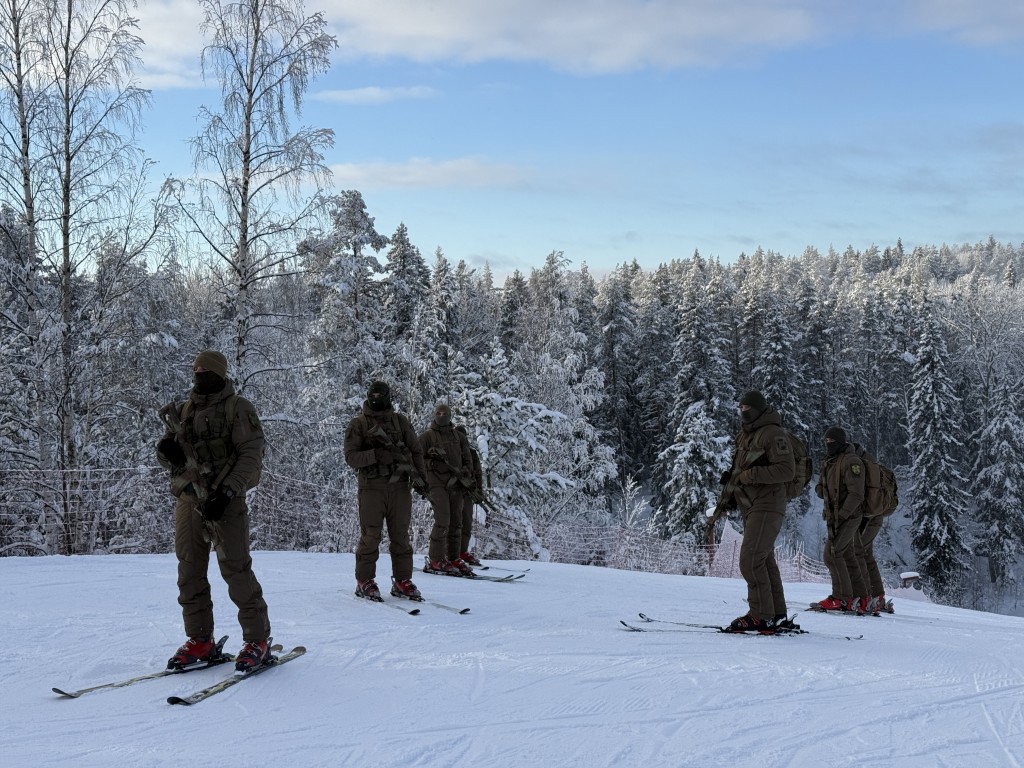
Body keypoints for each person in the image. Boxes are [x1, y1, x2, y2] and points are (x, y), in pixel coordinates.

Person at [156, 350, 272, 673]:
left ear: (219, 373)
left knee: (236, 569)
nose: (198, 375)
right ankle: (200, 639)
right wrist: (166, 451)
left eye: (204, 370)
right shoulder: (185, 410)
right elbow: (168, 454)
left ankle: (257, 640)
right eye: (195, 370)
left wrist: (229, 491)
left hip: (225, 500)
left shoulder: (238, 408)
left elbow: (251, 454)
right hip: (190, 500)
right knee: (189, 569)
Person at [718, 390, 796, 632]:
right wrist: (731, 491)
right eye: (741, 408)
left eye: (747, 408)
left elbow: (787, 470)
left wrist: (750, 476)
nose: (743, 412)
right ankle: (776, 614)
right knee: (764, 560)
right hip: (751, 505)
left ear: (759, 409)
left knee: (750, 560)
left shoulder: (773, 433)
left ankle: (760, 616)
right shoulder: (746, 435)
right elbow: (740, 469)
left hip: (768, 504)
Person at [343, 380, 428, 602]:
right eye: (373, 396)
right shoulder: (359, 424)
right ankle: (365, 580)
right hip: (371, 487)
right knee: (371, 535)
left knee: (401, 536)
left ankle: (402, 580)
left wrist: (421, 479)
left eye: (380, 396)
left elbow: (416, 451)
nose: (376, 400)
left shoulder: (401, 422)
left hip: (400, 487)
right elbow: (351, 457)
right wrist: (376, 455)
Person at [813, 426, 870, 613]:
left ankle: (841, 598)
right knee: (846, 555)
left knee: (832, 553)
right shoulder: (829, 461)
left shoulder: (852, 461)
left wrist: (843, 515)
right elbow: (822, 487)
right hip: (836, 516)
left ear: (840, 442)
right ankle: (862, 598)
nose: (828, 444)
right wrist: (822, 489)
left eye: (831, 441)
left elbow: (857, 494)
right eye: (826, 441)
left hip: (850, 516)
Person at [419, 403, 475, 576]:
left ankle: (453, 557)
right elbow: (416, 459)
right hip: (436, 484)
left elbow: (468, 459)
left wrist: (465, 472)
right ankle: (435, 559)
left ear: (450, 415)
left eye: (444, 413)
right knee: (443, 519)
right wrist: (433, 464)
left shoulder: (459, 437)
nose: (441, 416)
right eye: (438, 413)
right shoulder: (427, 437)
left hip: (456, 483)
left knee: (456, 521)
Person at [455, 424, 484, 566]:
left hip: (467, 492)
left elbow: (477, 473)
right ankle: (451, 553)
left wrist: (479, 492)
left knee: (466, 523)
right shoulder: (451, 452)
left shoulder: (471, 453)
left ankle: (462, 551)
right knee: (453, 523)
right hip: (453, 492)